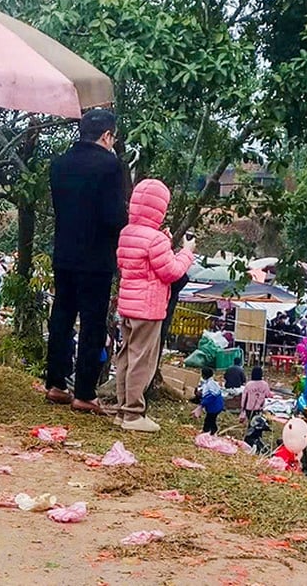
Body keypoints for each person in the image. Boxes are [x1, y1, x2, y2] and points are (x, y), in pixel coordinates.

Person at [44, 109, 127, 415]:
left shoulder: (60, 164)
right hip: (96, 258)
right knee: (92, 323)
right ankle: (85, 393)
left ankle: (55, 384)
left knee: (62, 316)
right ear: (107, 135)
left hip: (64, 252)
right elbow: (112, 216)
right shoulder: (109, 165)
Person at [112, 178, 194, 431]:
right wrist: (187, 252)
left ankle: (122, 408)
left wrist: (163, 242)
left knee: (126, 355)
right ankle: (134, 414)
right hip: (148, 309)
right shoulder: (155, 240)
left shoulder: (127, 233)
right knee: (142, 360)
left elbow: (140, 263)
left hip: (128, 305)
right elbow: (171, 272)